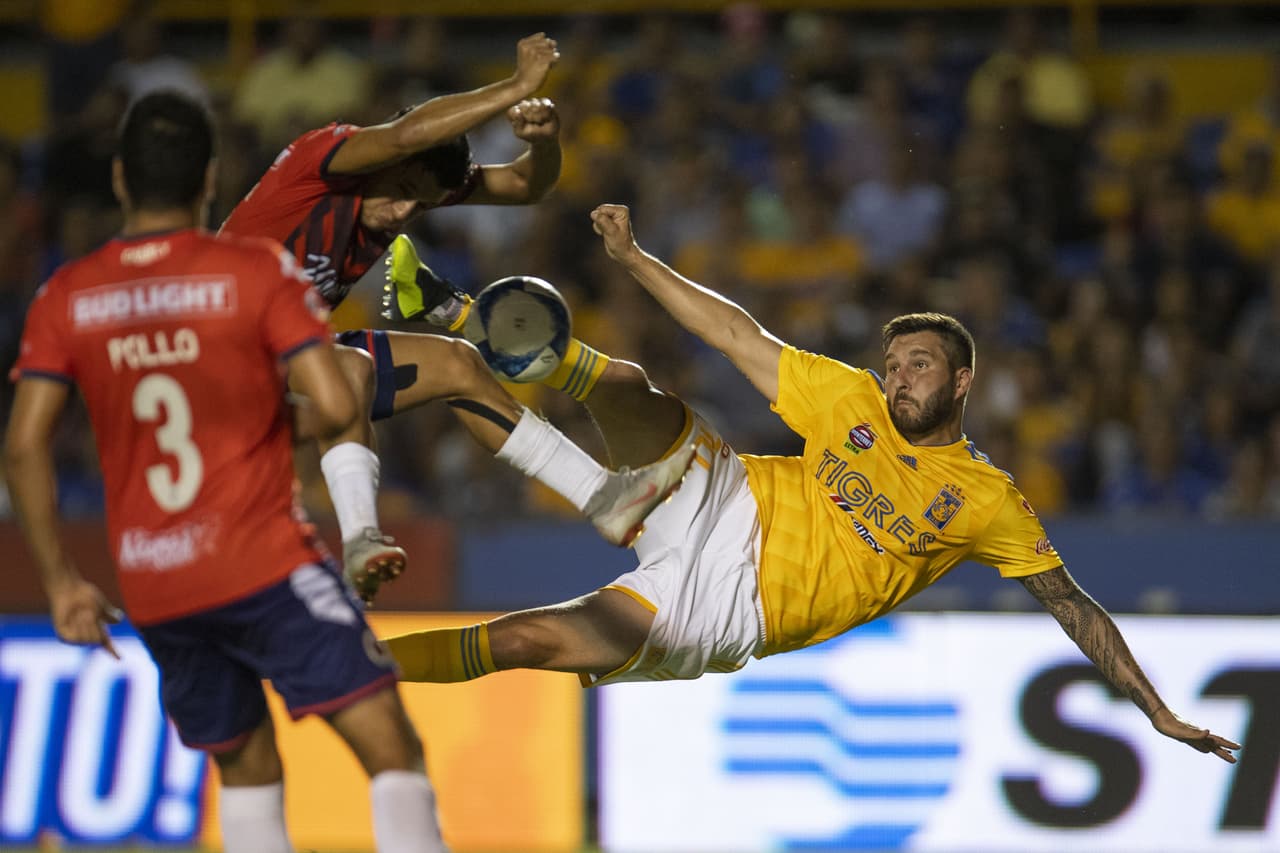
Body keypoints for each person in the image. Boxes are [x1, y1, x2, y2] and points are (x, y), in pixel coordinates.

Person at [382, 204, 1240, 767]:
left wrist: (1157, 709)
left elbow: (1073, 606)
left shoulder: (985, 500)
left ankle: (336, 668)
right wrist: (636, 258)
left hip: (726, 606)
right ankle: (459, 319)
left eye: (921, 364)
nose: (900, 375)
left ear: (962, 382)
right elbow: (733, 330)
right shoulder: (849, 395)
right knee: (625, 385)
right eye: (895, 360)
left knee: (521, 640)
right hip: (722, 492)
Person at [4, 92, 446, 852]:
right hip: (257, 559)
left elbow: (21, 447)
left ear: (119, 179)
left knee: (245, 766)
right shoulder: (252, 270)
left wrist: (61, 582)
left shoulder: (66, 295)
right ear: (209, 179)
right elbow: (339, 400)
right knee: (391, 745)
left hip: (154, 580)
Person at [221, 32, 694, 603]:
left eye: (419, 206)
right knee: (347, 368)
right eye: (399, 194)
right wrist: (517, 86)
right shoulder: (322, 161)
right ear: (383, 163)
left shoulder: (411, 181)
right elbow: (405, 133)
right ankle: (361, 540)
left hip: (289, 361)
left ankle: (605, 498)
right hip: (218, 354)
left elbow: (525, 184)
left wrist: (545, 142)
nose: (402, 213)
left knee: (458, 363)